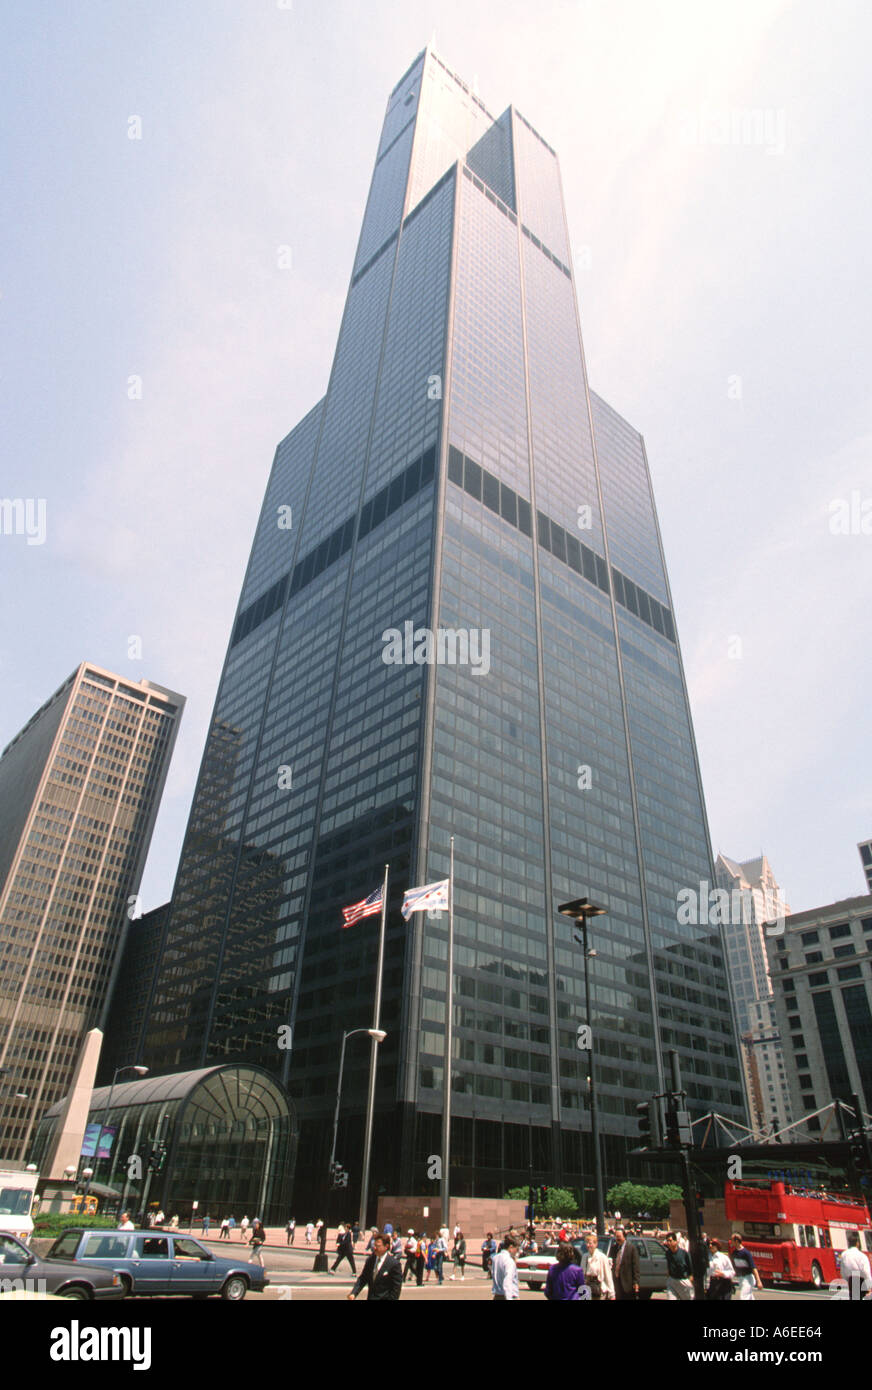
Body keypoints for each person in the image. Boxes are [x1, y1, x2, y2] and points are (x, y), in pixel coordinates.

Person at [347, 1232, 403, 1301]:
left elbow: (396, 1289)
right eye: (374, 1245)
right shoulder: (370, 1260)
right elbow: (363, 1278)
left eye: (378, 1246)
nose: (375, 1248)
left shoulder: (394, 1264)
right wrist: (354, 1293)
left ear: (386, 1246)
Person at [838, 1232, 872, 1300]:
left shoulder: (844, 1254)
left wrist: (847, 1280)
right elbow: (866, 1272)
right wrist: (869, 1286)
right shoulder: (862, 1256)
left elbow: (842, 1271)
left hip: (851, 1280)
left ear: (848, 1243)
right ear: (857, 1243)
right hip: (861, 1280)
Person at [581, 1233, 614, 1300]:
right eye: (587, 1243)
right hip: (587, 1290)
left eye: (590, 1243)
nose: (588, 1245)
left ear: (596, 1244)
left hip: (599, 1290)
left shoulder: (602, 1257)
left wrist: (612, 1294)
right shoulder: (584, 1256)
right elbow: (582, 1274)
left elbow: (608, 1277)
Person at [728, 1234, 762, 1299]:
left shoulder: (746, 1253)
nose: (730, 1241)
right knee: (749, 1297)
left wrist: (759, 1281)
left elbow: (753, 1267)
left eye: (732, 1240)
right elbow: (733, 1267)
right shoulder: (734, 1253)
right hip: (741, 1279)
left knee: (744, 1297)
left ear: (737, 1241)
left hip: (748, 1278)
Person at [664, 1232, 694, 1300]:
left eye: (670, 1240)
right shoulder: (667, 1253)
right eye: (667, 1241)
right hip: (672, 1280)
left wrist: (690, 1277)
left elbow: (690, 1267)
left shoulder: (684, 1253)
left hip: (683, 1280)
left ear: (676, 1241)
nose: (668, 1243)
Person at [612, 1228, 640, 1300]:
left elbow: (636, 1266)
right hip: (616, 1282)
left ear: (624, 1236)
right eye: (616, 1236)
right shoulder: (614, 1248)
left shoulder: (631, 1248)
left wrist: (636, 1282)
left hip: (627, 1283)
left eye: (619, 1237)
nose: (617, 1239)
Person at [491, 1234, 520, 1300]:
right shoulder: (509, 1261)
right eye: (517, 1249)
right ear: (511, 1247)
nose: (517, 1252)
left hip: (497, 1295)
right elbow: (508, 1282)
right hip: (508, 1296)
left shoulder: (495, 1258)